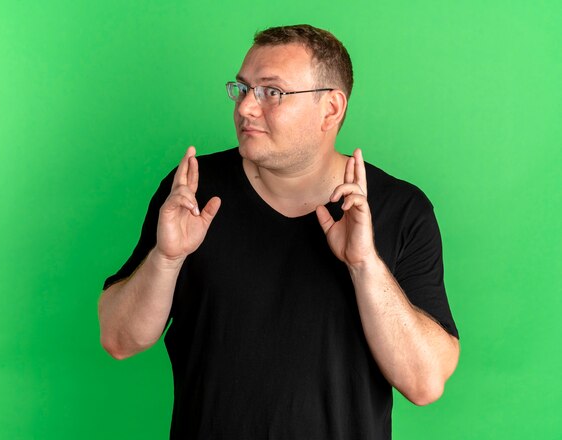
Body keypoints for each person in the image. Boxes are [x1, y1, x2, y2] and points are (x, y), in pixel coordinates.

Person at [98, 24, 460, 440]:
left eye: (272, 92)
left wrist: (364, 265)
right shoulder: (192, 190)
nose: (246, 108)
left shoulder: (400, 209)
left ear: (331, 109)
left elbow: (425, 382)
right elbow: (119, 340)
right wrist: (167, 258)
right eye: (243, 88)